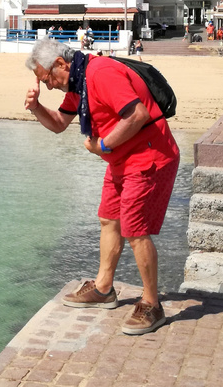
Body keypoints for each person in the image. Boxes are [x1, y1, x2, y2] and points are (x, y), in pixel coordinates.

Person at [24, 38, 179, 336]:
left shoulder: (101, 73)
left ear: (61, 64)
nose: (51, 85)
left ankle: (152, 304)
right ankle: (104, 289)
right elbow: (58, 123)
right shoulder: (78, 83)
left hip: (149, 156)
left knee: (134, 230)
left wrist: (103, 145)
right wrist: (35, 107)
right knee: (109, 219)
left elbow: (137, 115)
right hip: (121, 161)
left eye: (48, 79)